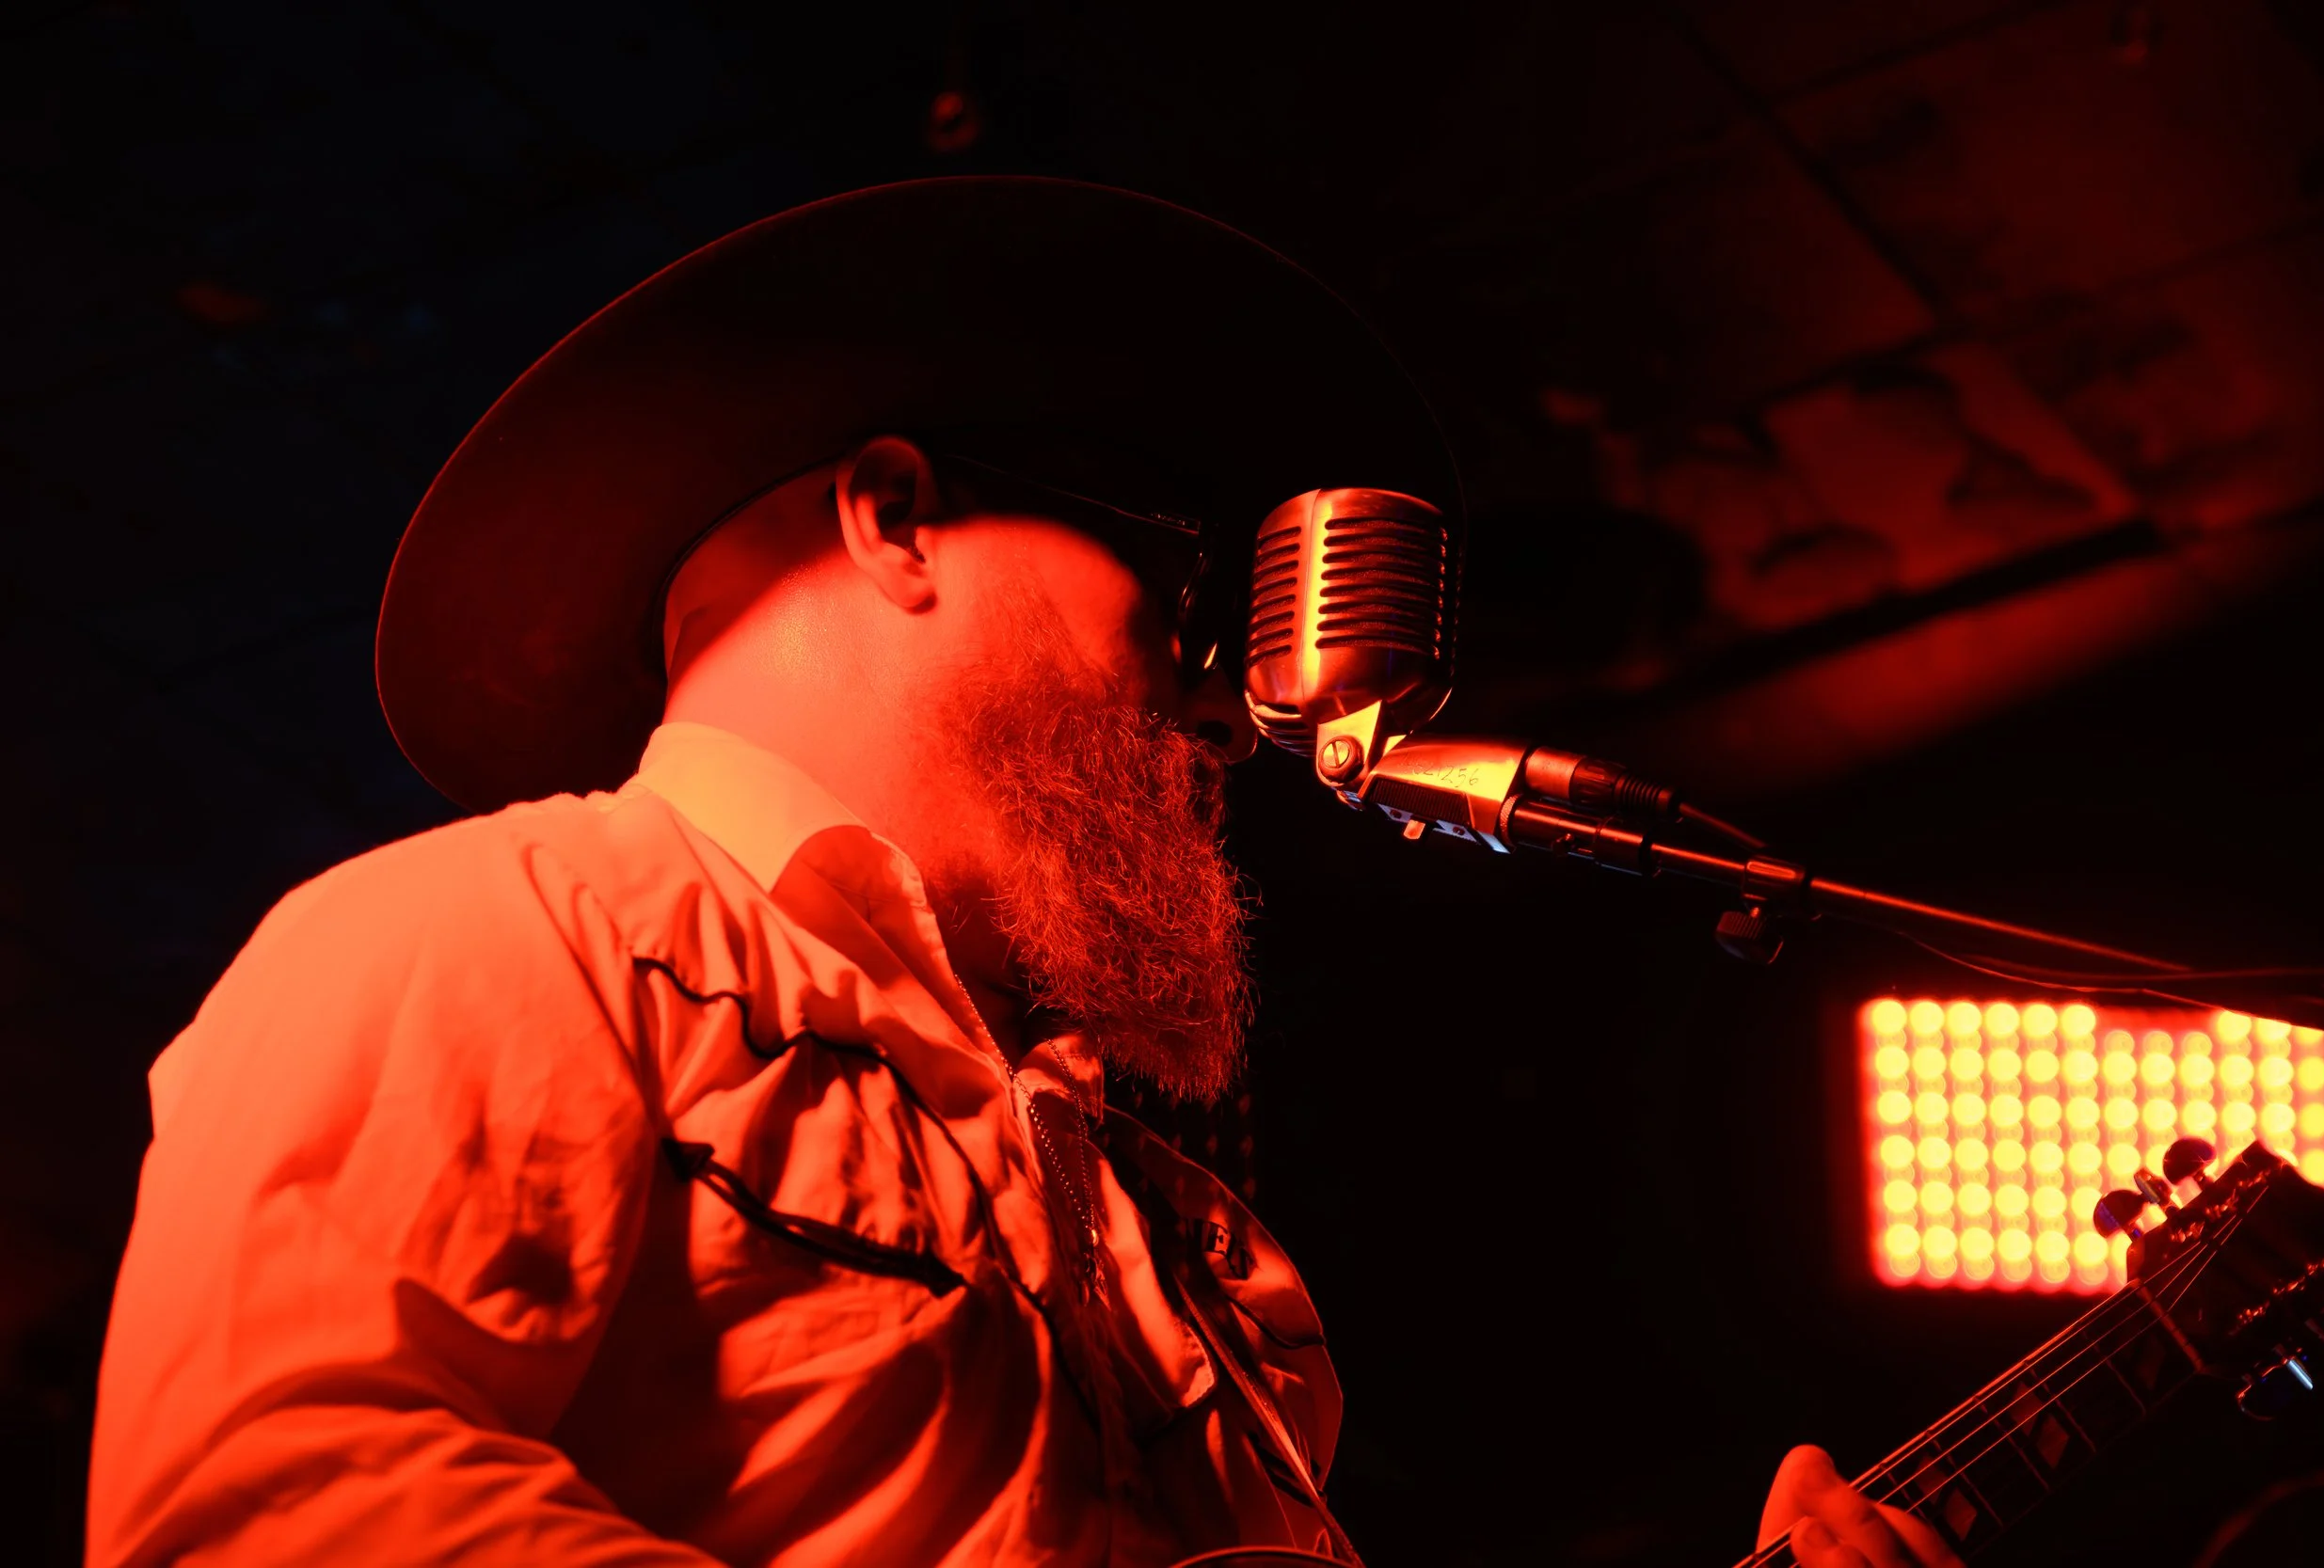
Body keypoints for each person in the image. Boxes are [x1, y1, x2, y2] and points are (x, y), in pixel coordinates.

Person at [85, 178, 1954, 1568]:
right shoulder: (505, 927)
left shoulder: (1178, 1237)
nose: (1221, 705)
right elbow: (265, 1509)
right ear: (896, 517)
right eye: (1187, 594)